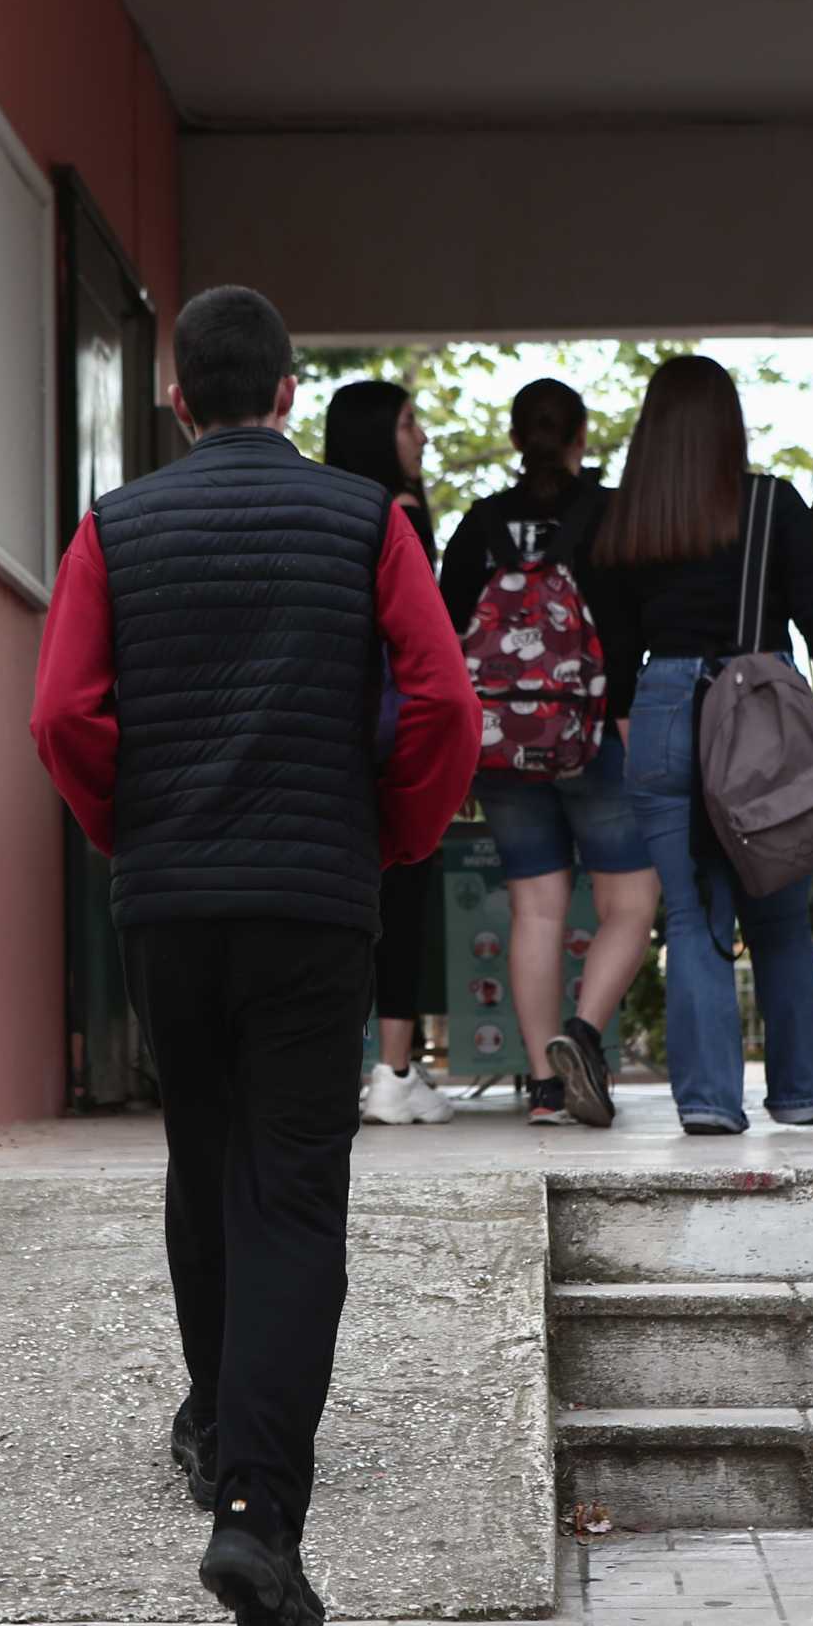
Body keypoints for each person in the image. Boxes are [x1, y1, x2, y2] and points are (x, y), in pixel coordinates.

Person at [31, 286, 479, 1626]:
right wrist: (392, 834)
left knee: (204, 1161)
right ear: (289, 395)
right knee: (291, 1195)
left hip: (172, 905)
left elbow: (64, 711)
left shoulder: (114, 528)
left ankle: (218, 1419)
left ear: (178, 400)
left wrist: (131, 831)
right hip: (311, 903)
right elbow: (446, 702)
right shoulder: (370, 524)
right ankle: (255, 1510)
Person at [591, 355, 813, 1135]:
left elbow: (613, 643)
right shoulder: (774, 503)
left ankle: (707, 1100)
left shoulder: (630, 519)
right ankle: (802, 1089)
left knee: (690, 914)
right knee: (775, 909)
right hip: (760, 710)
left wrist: (632, 719)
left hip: (663, 704)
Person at [439, 378, 660, 1127]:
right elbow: (630, 627)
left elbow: (444, 629)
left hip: (501, 746)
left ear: (512, 438)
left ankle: (543, 1087)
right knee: (630, 903)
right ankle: (585, 1036)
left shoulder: (479, 524)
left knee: (535, 909)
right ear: (582, 437)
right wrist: (624, 715)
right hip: (594, 735)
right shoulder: (611, 515)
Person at [326, 379, 454, 1126]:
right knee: (402, 894)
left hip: (333, 728)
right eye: (410, 422)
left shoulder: (332, 512)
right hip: (391, 728)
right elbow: (423, 640)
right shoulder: (400, 515)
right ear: (380, 433)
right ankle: (394, 1072)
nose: (423, 437)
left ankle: (351, 1065)